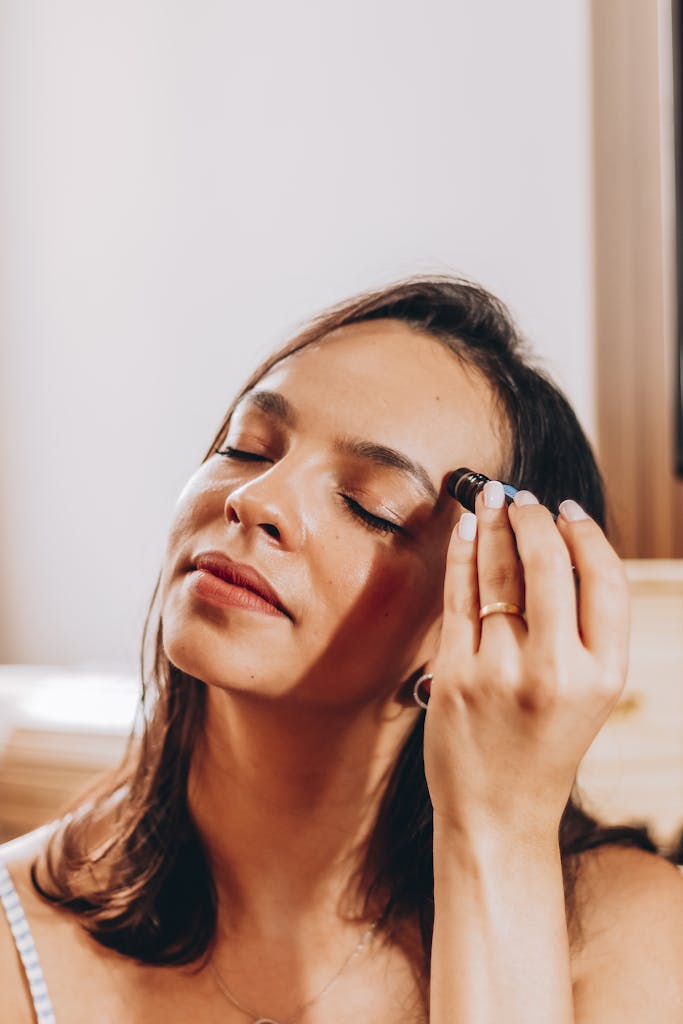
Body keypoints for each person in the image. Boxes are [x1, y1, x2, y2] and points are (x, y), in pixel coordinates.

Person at [1, 276, 682, 1023]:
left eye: (369, 505)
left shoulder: (638, 941)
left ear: (488, 619)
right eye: (247, 447)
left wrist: (496, 835)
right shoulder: (17, 938)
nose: (255, 499)